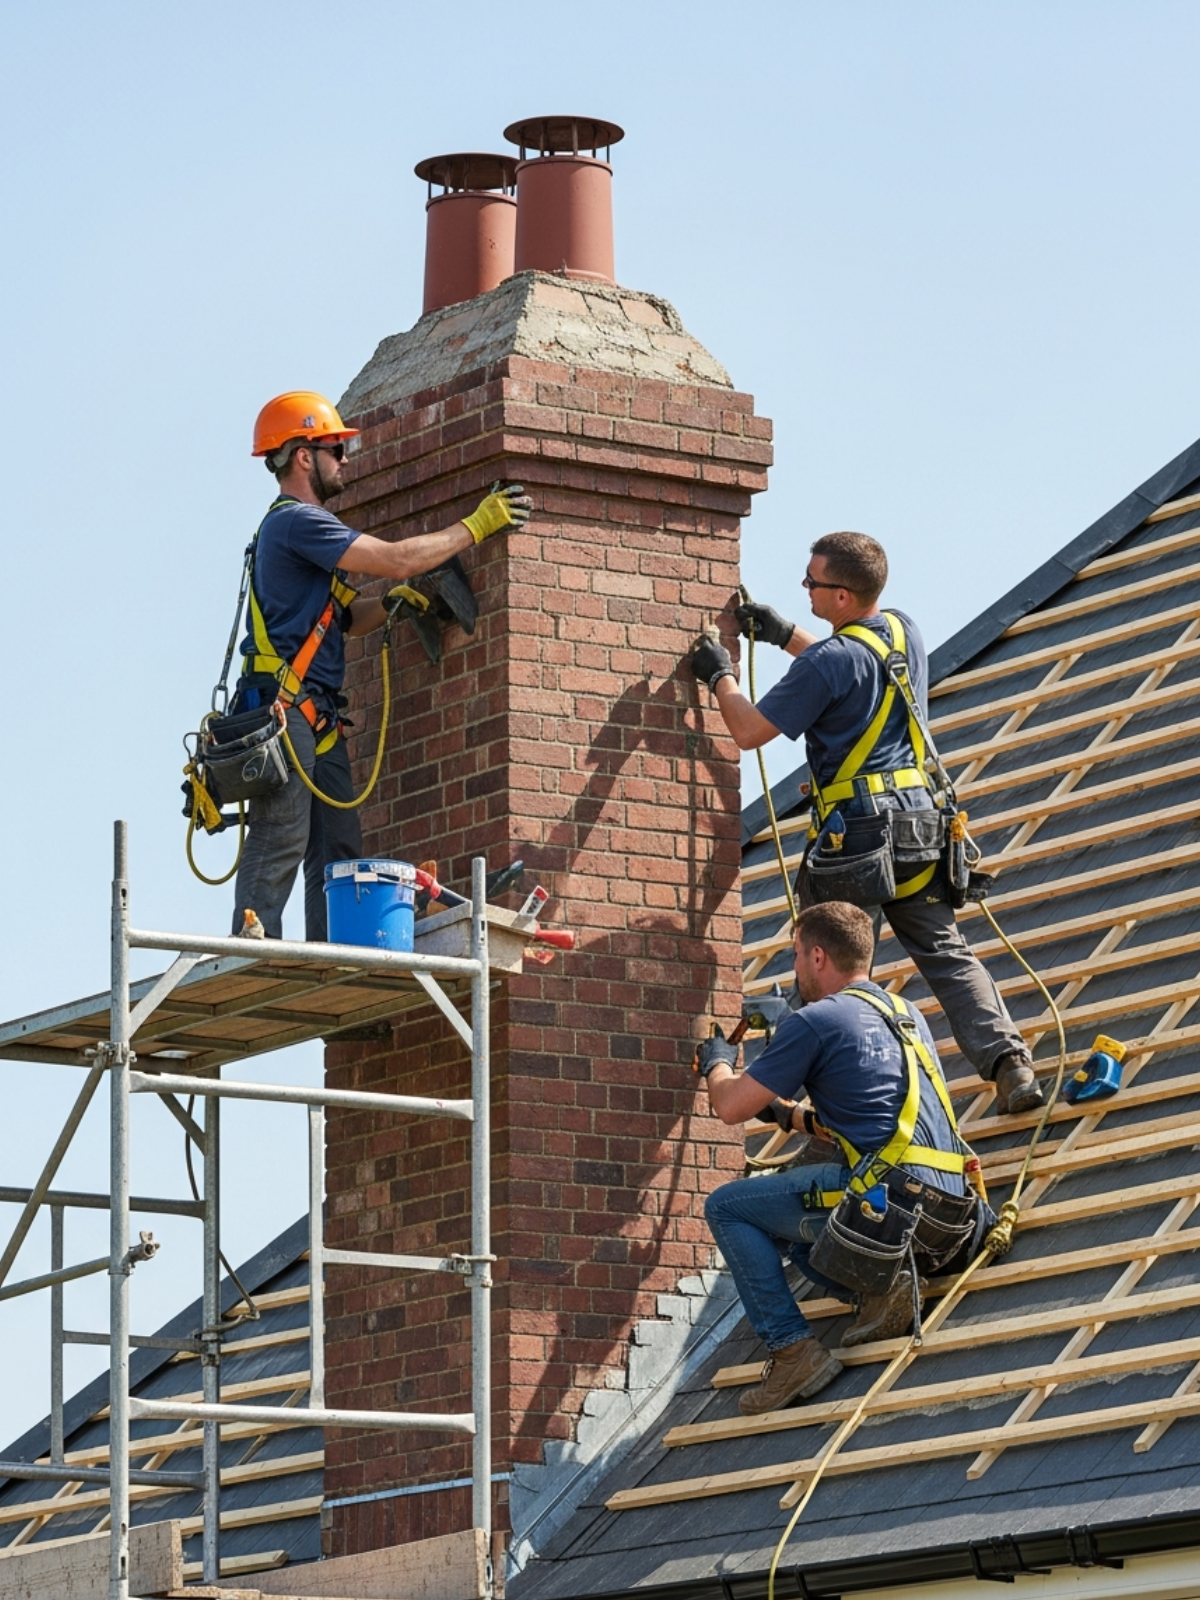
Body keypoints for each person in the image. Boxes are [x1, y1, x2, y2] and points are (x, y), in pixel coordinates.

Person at [689, 530, 1041, 1116]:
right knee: (945, 952)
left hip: (854, 840)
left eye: (813, 581)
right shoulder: (903, 630)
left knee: (829, 972)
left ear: (843, 597)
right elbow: (854, 668)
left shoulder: (827, 661)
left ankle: (808, 1105)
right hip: (918, 829)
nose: (804, 587)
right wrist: (784, 635)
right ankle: (1010, 1064)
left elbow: (748, 731)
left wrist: (719, 674)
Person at [230, 390, 532, 941]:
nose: (345, 459)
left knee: (338, 849)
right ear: (304, 456)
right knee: (282, 835)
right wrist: (477, 525)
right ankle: (253, 944)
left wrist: (389, 605)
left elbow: (343, 620)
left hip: (316, 716)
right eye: (335, 450)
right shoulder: (297, 522)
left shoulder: (303, 533)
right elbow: (394, 560)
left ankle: (332, 953)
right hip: (288, 711)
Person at [695, 902, 978, 1415]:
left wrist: (718, 1064)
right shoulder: (905, 1013)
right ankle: (882, 1290)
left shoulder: (815, 1021)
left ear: (819, 956)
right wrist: (792, 1116)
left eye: (796, 955)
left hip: (885, 1211)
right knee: (792, 1203)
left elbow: (731, 1106)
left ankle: (792, 1352)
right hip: (948, 1212)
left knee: (729, 1208)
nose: (795, 968)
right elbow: (866, 1119)